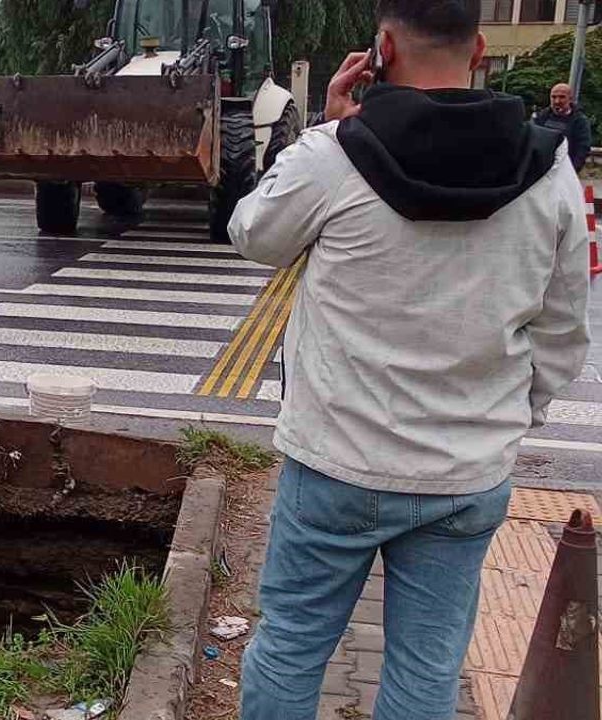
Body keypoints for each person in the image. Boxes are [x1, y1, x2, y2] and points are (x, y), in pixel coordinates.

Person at [228, 1, 590, 719]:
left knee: (295, 643)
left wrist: (327, 126)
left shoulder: (337, 154)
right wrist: (512, 420)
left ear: (382, 49)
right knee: (427, 669)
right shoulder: (551, 174)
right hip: (466, 471)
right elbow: (562, 333)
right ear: (480, 49)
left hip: (335, 461)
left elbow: (254, 236)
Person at [534, 83, 593, 172]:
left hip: (565, 170)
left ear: (570, 99)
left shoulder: (580, 121)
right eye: (553, 97)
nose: (557, 101)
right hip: (540, 170)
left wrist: (572, 171)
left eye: (562, 97)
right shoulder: (541, 117)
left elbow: (582, 149)